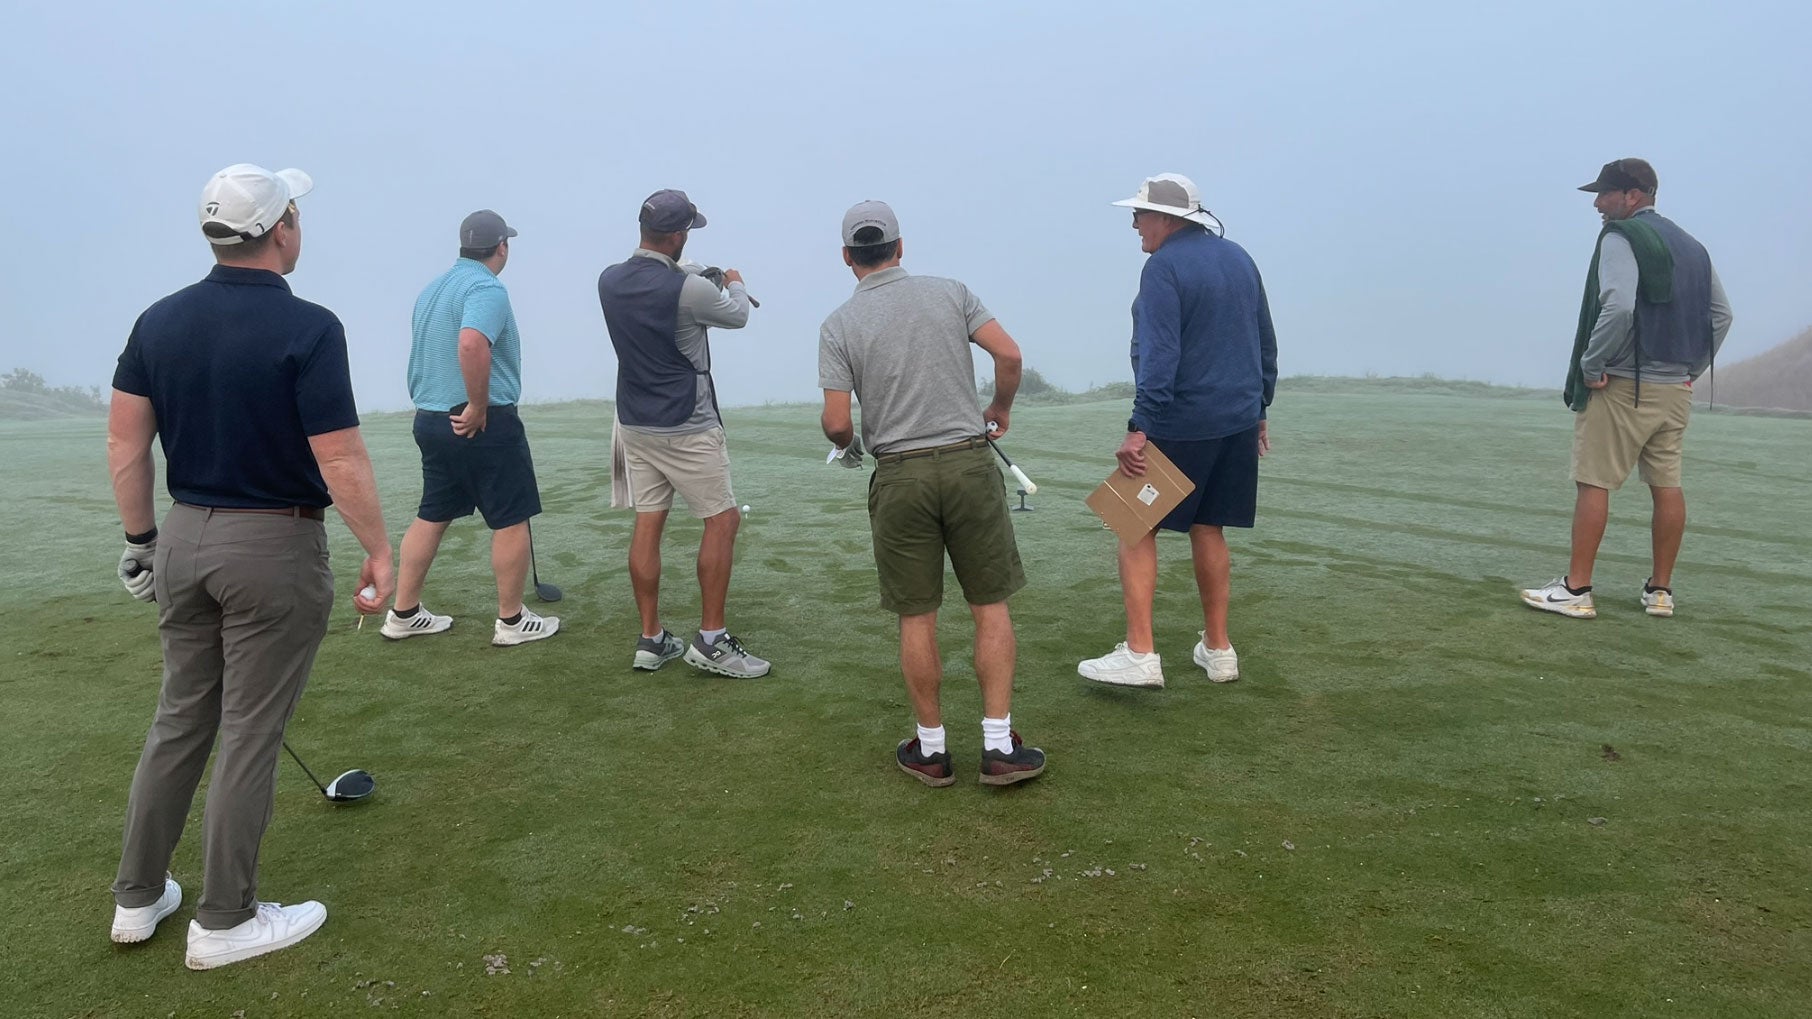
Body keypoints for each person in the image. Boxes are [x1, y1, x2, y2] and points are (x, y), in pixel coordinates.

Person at [106, 164, 395, 969]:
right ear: (280, 228)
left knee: (180, 720)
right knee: (249, 732)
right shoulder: (310, 326)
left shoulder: (157, 321)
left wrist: (141, 539)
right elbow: (337, 456)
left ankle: (137, 896)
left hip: (184, 538)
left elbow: (126, 442)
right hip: (271, 545)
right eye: (296, 213)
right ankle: (225, 918)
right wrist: (379, 546)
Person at [819, 200, 1045, 787]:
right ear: (899, 247)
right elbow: (1011, 354)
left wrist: (849, 447)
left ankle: (931, 750)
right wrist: (998, 408)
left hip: (899, 477)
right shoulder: (951, 292)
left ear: (849, 258)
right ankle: (999, 746)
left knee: (917, 617)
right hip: (970, 466)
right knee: (989, 607)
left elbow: (838, 424)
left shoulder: (839, 324)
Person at [1078, 173, 1278, 689]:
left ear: (1167, 219)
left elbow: (1160, 355)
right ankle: (1219, 649)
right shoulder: (1238, 256)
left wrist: (1138, 428)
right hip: (1235, 419)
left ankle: (1141, 654)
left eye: (1140, 215)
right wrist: (1260, 407)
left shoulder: (1162, 267)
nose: (1134, 224)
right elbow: (1263, 339)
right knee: (1207, 526)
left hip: (1180, 422)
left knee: (1132, 523)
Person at [1520, 158, 1732, 620]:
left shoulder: (1622, 236)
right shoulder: (1693, 246)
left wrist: (1591, 363)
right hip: (1676, 388)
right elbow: (1722, 316)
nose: (1597, 203)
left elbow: (1616, 307)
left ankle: (1576, 589)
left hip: (1624, 385)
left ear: (1632, 195)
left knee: (1594, 481)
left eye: (1605, 193)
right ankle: (1660, 592)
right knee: (1667, 485)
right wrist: (1691, 367)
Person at [598, 189, 770, 677]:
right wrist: (732, 282)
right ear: (677, 236)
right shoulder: (691, 290)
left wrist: (693, 273)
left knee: (649, 521)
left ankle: (651, 639)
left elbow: (661, 282)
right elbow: (736, 314)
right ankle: (712, 641)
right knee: (722, 520)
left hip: (635, 421)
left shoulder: (609, 281)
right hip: (687, 423)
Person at [385, 209, 559, 646]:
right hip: (478, 420)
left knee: (433, 513)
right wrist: (480, 405)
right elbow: (470, 342)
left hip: (431, 419)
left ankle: (403, 613)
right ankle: (513, 621)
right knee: (511, 517)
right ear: (502, 246)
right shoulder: (486, 286)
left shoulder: (432, 289)